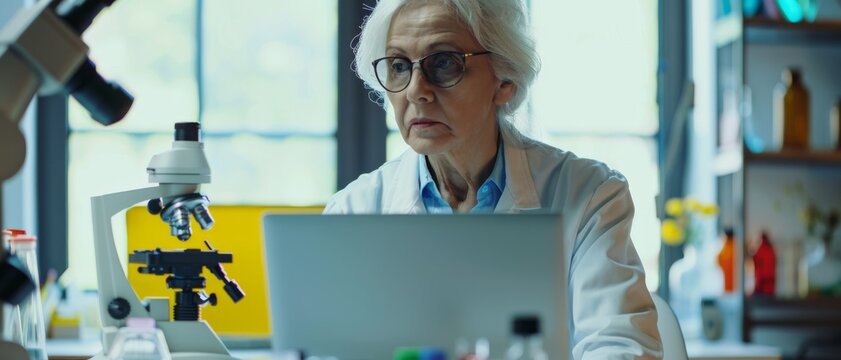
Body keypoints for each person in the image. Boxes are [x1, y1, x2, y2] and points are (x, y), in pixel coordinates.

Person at [323, 0, 663, 358]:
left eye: (443, 63)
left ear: (505, 80)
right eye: (398, 66)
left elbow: (621, 348)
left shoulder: (590, 194)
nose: (415, 90)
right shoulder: (352, 209)